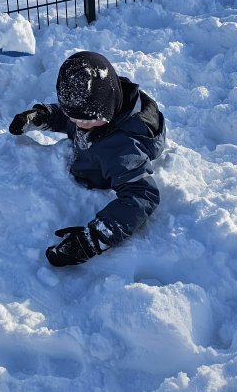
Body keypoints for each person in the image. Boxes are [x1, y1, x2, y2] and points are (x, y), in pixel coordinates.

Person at [9, 50, 166, 266]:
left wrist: (93, 239)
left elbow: (142, 195)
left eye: (88, 120)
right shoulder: (94, 108)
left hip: (99, 177)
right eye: (74, 117)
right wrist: (43, 117)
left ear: (108, 108)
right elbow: (70, 117)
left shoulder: (122, 148)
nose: (80, 124)